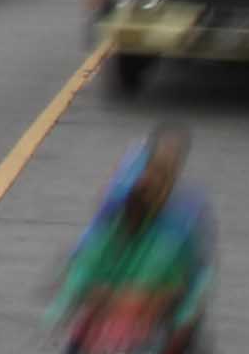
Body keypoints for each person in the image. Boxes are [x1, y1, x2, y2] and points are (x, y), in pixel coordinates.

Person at [50, 126, 214, 354]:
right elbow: (88, 255)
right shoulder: (117, 210)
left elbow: (192, 280)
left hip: (153, 324)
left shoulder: (181, 222)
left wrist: (178, 315)